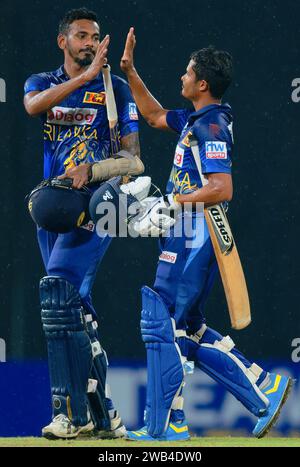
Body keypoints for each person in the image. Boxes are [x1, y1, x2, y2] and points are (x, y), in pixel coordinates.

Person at [119, 28, 293, 441]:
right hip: (186, 231)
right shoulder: (195, 119)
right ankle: (261, 389)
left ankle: (169, 426)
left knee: (163, 323)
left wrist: (173, 204)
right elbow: (154, 115)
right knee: (189, 330)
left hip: (196, 232)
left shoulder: (212, 124)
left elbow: (221, 188)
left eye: (186, 72)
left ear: (202, 84)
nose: (180, 77)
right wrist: (130, 71)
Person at [23, 9, 143, 440]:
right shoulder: (42, 82)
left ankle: (67, 414)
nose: (90, 42)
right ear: (64, 42)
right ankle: (104, 412)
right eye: (81, 36)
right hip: (54, 206)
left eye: (94, 36)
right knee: (76, 312)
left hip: (97, 207)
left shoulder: (117, 89)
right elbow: (33, 106)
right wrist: (84, 75)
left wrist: (92, 171)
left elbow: (134, 159)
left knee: (58, 294)